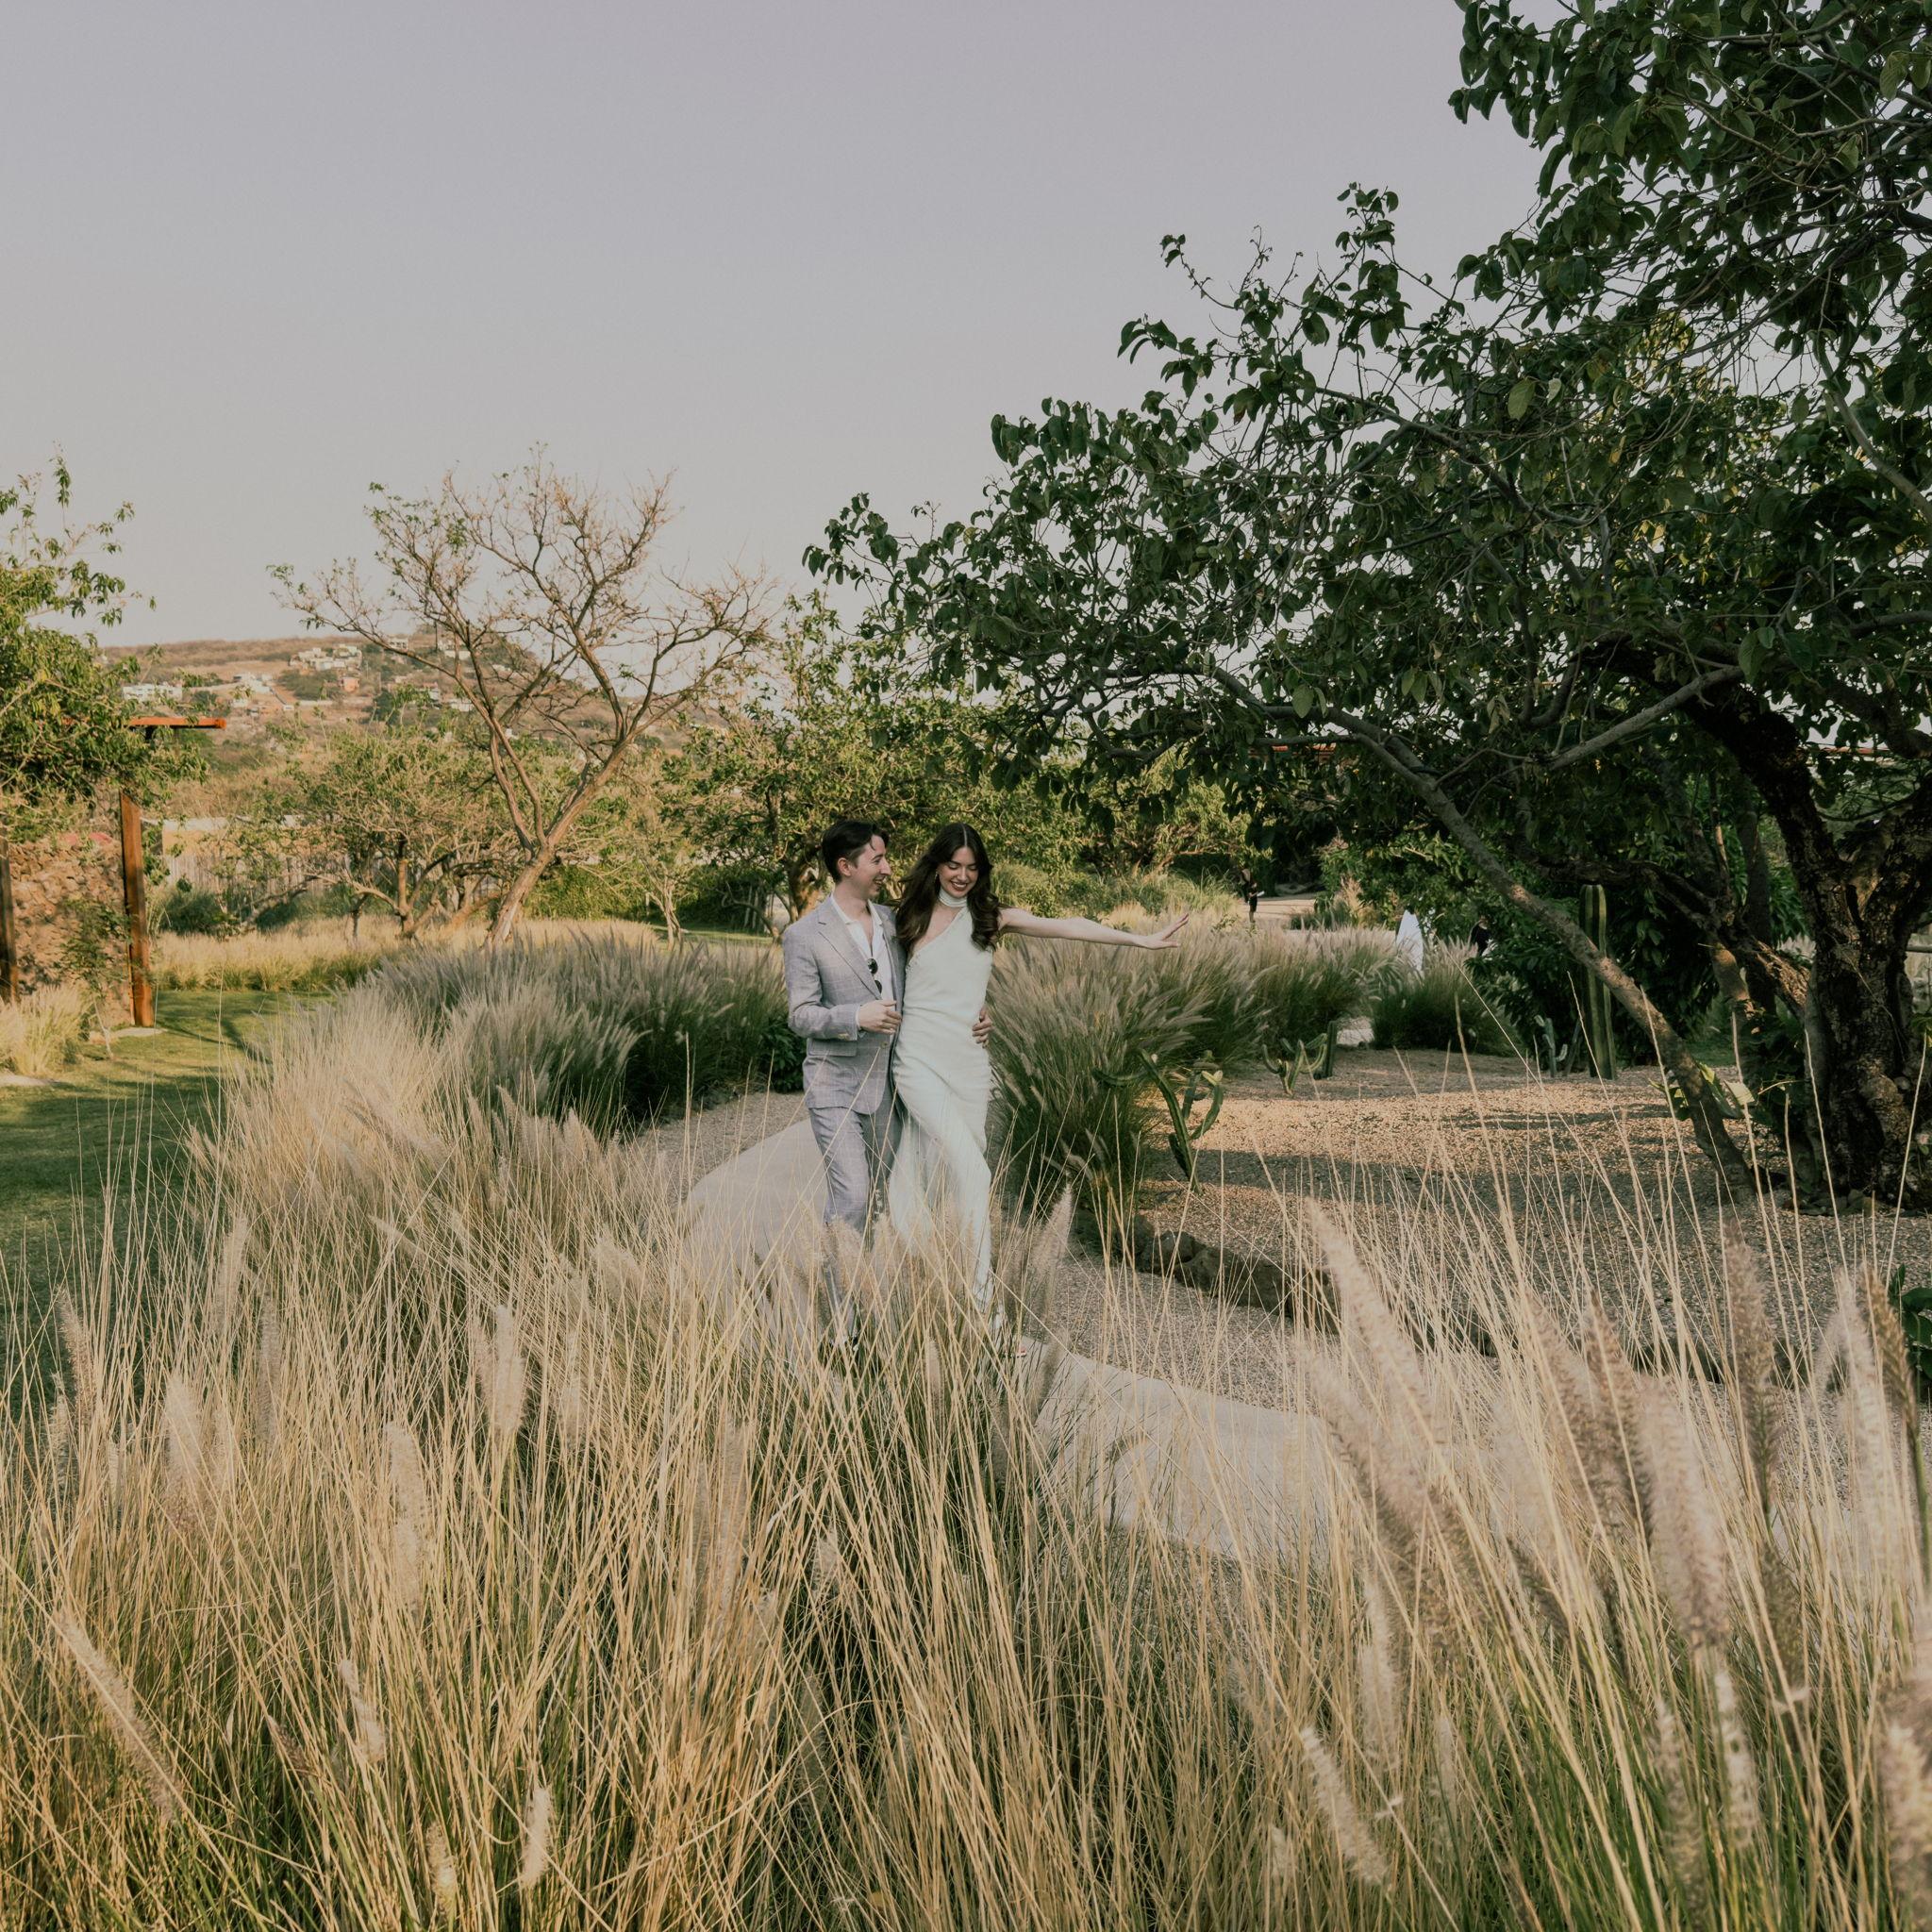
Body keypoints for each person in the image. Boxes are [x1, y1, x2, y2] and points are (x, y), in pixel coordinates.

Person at [887, 822, 1186, 1309]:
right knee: (973, 1171)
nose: (962, 876)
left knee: (939, 1172)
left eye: (972, 868)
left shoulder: (990, 917)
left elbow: (1069, 926)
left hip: (969, 1064)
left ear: (981, 872)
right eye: (953, 866)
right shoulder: (908, 917)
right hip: (917, 1060)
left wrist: (1140, 941)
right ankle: (982, 1303)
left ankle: (937, 1284)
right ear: (936, 865)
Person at [781, 820, 991, 1233]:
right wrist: (856, 1017)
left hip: (889, 1091)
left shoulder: (898, 923)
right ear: (846, 866)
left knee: (880, 1202)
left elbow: (935, 975)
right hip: (835, 1087)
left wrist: (978, 1009)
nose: (888, 869)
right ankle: (839, 1300)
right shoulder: (803, 935)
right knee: (853, 1198)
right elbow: (800, 1015)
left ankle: (865, 1295)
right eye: (877, 860)